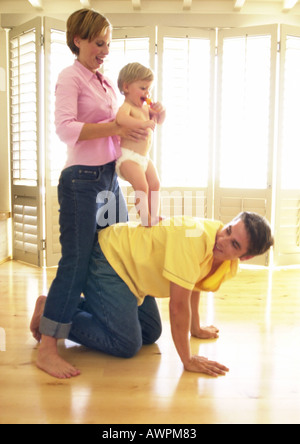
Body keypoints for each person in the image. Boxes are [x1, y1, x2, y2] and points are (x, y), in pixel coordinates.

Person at [30, 9, 148, 379]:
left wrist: (146, 118)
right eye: (99, 43)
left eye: (108, 44)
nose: (105, 50)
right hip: (81, 180)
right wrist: (114, 125)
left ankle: (56, 308)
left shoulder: (107, 83)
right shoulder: (70, 77)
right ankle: (49, 346)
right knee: (77, 262)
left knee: (117, 254)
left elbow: (120, 125)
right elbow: (66, 129)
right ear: (78, 40)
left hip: (109, 178)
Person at [31, 211, 274, 379]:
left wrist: (195, 329)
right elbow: (178, 307)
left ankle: (54, 305)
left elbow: (194, 285)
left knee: (150, 333)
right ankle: (52, 313)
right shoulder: (195, 237)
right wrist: (187, 359)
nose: (223, 240)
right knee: (127, 344)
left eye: (234, 244)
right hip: (110, 260)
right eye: (229, 230)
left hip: (136, 277)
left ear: (245, 257)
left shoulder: (222, 260)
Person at [116, 63, 166, 226]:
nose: (147, 93)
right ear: (127, 87)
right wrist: (141, 124)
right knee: (141, 185)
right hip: (127, 157)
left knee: (155, 183)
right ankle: (145, 219)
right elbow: (121, 119)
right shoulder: (127, 107)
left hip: (144, 158)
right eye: (143, 88)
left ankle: (154, 216)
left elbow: (159, 120)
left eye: (149, 89)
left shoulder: (146, 108)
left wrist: (162, 110)